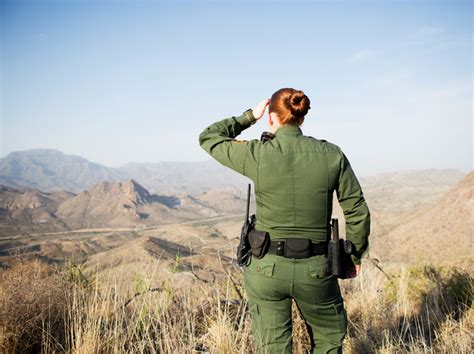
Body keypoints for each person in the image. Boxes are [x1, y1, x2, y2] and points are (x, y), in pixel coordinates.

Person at [198, 88, 370, 353]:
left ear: (271, 117)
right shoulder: (331, 154)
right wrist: (354, 256)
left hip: (266, 267)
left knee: (273, 346)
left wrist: (248, 117)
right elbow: (357, 209)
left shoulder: (257, 153)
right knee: (329, 337)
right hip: (316, 268)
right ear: (302, 117)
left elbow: (209, 137)